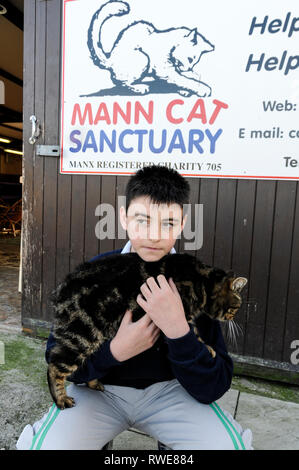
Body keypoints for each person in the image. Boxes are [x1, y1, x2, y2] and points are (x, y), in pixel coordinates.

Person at [16, 165, 253, 450]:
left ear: (182, 224)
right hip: (102, 393)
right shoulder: (97, 273)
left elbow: (215, 385)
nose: (154, 235)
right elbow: (60, 358)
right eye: (142, 220)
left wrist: (179, 332)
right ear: (124, 218)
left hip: (172, 392)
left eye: (167, 223)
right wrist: (115, 351)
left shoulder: (202, 283)